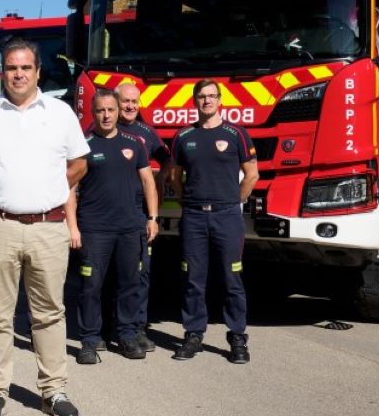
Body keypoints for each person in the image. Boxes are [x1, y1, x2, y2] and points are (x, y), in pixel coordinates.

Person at [0, 38, 89, 416]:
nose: (18, 74)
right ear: (3, 72)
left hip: (49, 228)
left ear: (37, 72)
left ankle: (54, 391)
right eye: (11, 68)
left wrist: (47, 190)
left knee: (49, 313)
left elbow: (79, 165)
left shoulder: (61, 113)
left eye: (25, 68)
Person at [168, 79, 259, 363]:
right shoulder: (184, 137)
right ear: (194, 101)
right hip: (194, 216)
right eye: (201, 97)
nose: (206, 101)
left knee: (232, 278)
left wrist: (235, 200)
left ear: (220, 100)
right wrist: (188, 201)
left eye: (211, 96)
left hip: (227, 216)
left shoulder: (236, 134)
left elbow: (252, 174)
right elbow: (173, 176)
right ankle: (194, 334)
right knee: (193, 279)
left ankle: (237, 338)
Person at [66, 88, 158, 364]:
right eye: (100, 111)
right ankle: (90, 340)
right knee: (91, 286)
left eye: (110, 110)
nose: (106, 115)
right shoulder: (83, 145)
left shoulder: (135, 143)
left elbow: (148, 182)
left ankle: (128, 335)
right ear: (93, 113)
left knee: (129, 284)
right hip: (94, 230)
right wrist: (73, 227)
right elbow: (70, 188)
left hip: (131, 228)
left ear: (119, 112)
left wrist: (152, 218)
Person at [116, 81, 171, 352]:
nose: (129, 107)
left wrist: (162, 179)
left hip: (139, 213)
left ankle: (138, 328)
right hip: (107, 214)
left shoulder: (146, 133)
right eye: (125, 101)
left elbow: (167, 159)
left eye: (134, 102)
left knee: (140, 274)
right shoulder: (101, 128)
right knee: (108, 275)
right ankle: (108, 327)